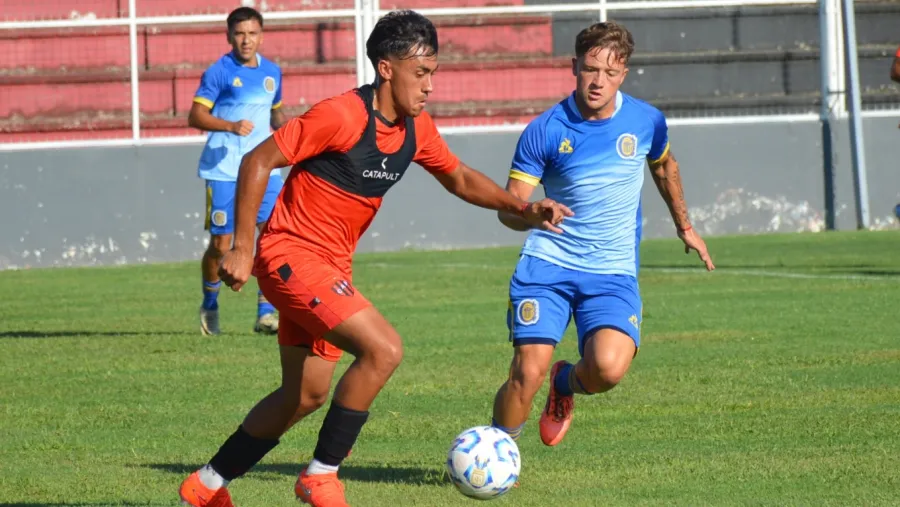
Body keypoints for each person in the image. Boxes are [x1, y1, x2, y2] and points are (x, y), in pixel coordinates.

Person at [178, 9, 572, 507]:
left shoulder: (415, 128)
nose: (429, 86)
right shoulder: (341, 115)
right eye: (420, 72)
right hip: (291, 256)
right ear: (386, 68)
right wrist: (242, 245)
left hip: (328, 268)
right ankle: (321, 476)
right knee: (384, 350)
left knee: (304, 395)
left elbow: (459, 177)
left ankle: (206, 485)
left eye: (433, 73)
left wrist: (523, 208)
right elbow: (259, 159)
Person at [488, 21, 715, 456]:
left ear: (624, 73)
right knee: (527, 373)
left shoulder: (646, 121)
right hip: (548, 265)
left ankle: (564, 381)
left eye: (610, 73)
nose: (598, 81)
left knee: (607, 370)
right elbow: (507, 208)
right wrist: (532, 213)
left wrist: (684, 226)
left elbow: (664, 166)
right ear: (574, 66)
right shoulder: (545, 129)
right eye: (590, 69)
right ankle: (497, 459)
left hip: (611, 271)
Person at [190, 6, 287, 336]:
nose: (247, 40)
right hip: (224, 169)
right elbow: (195, 116)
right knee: (221, 244)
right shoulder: (218, 72)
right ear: (229, 36)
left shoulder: (272, 72)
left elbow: (275, 115)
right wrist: (230, 125)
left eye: (252, 33)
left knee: (272, 236)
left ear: (262, 36)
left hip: (263, 169)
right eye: (240, 34)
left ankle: (266, 312)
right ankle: (210, 303)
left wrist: (295, 132)